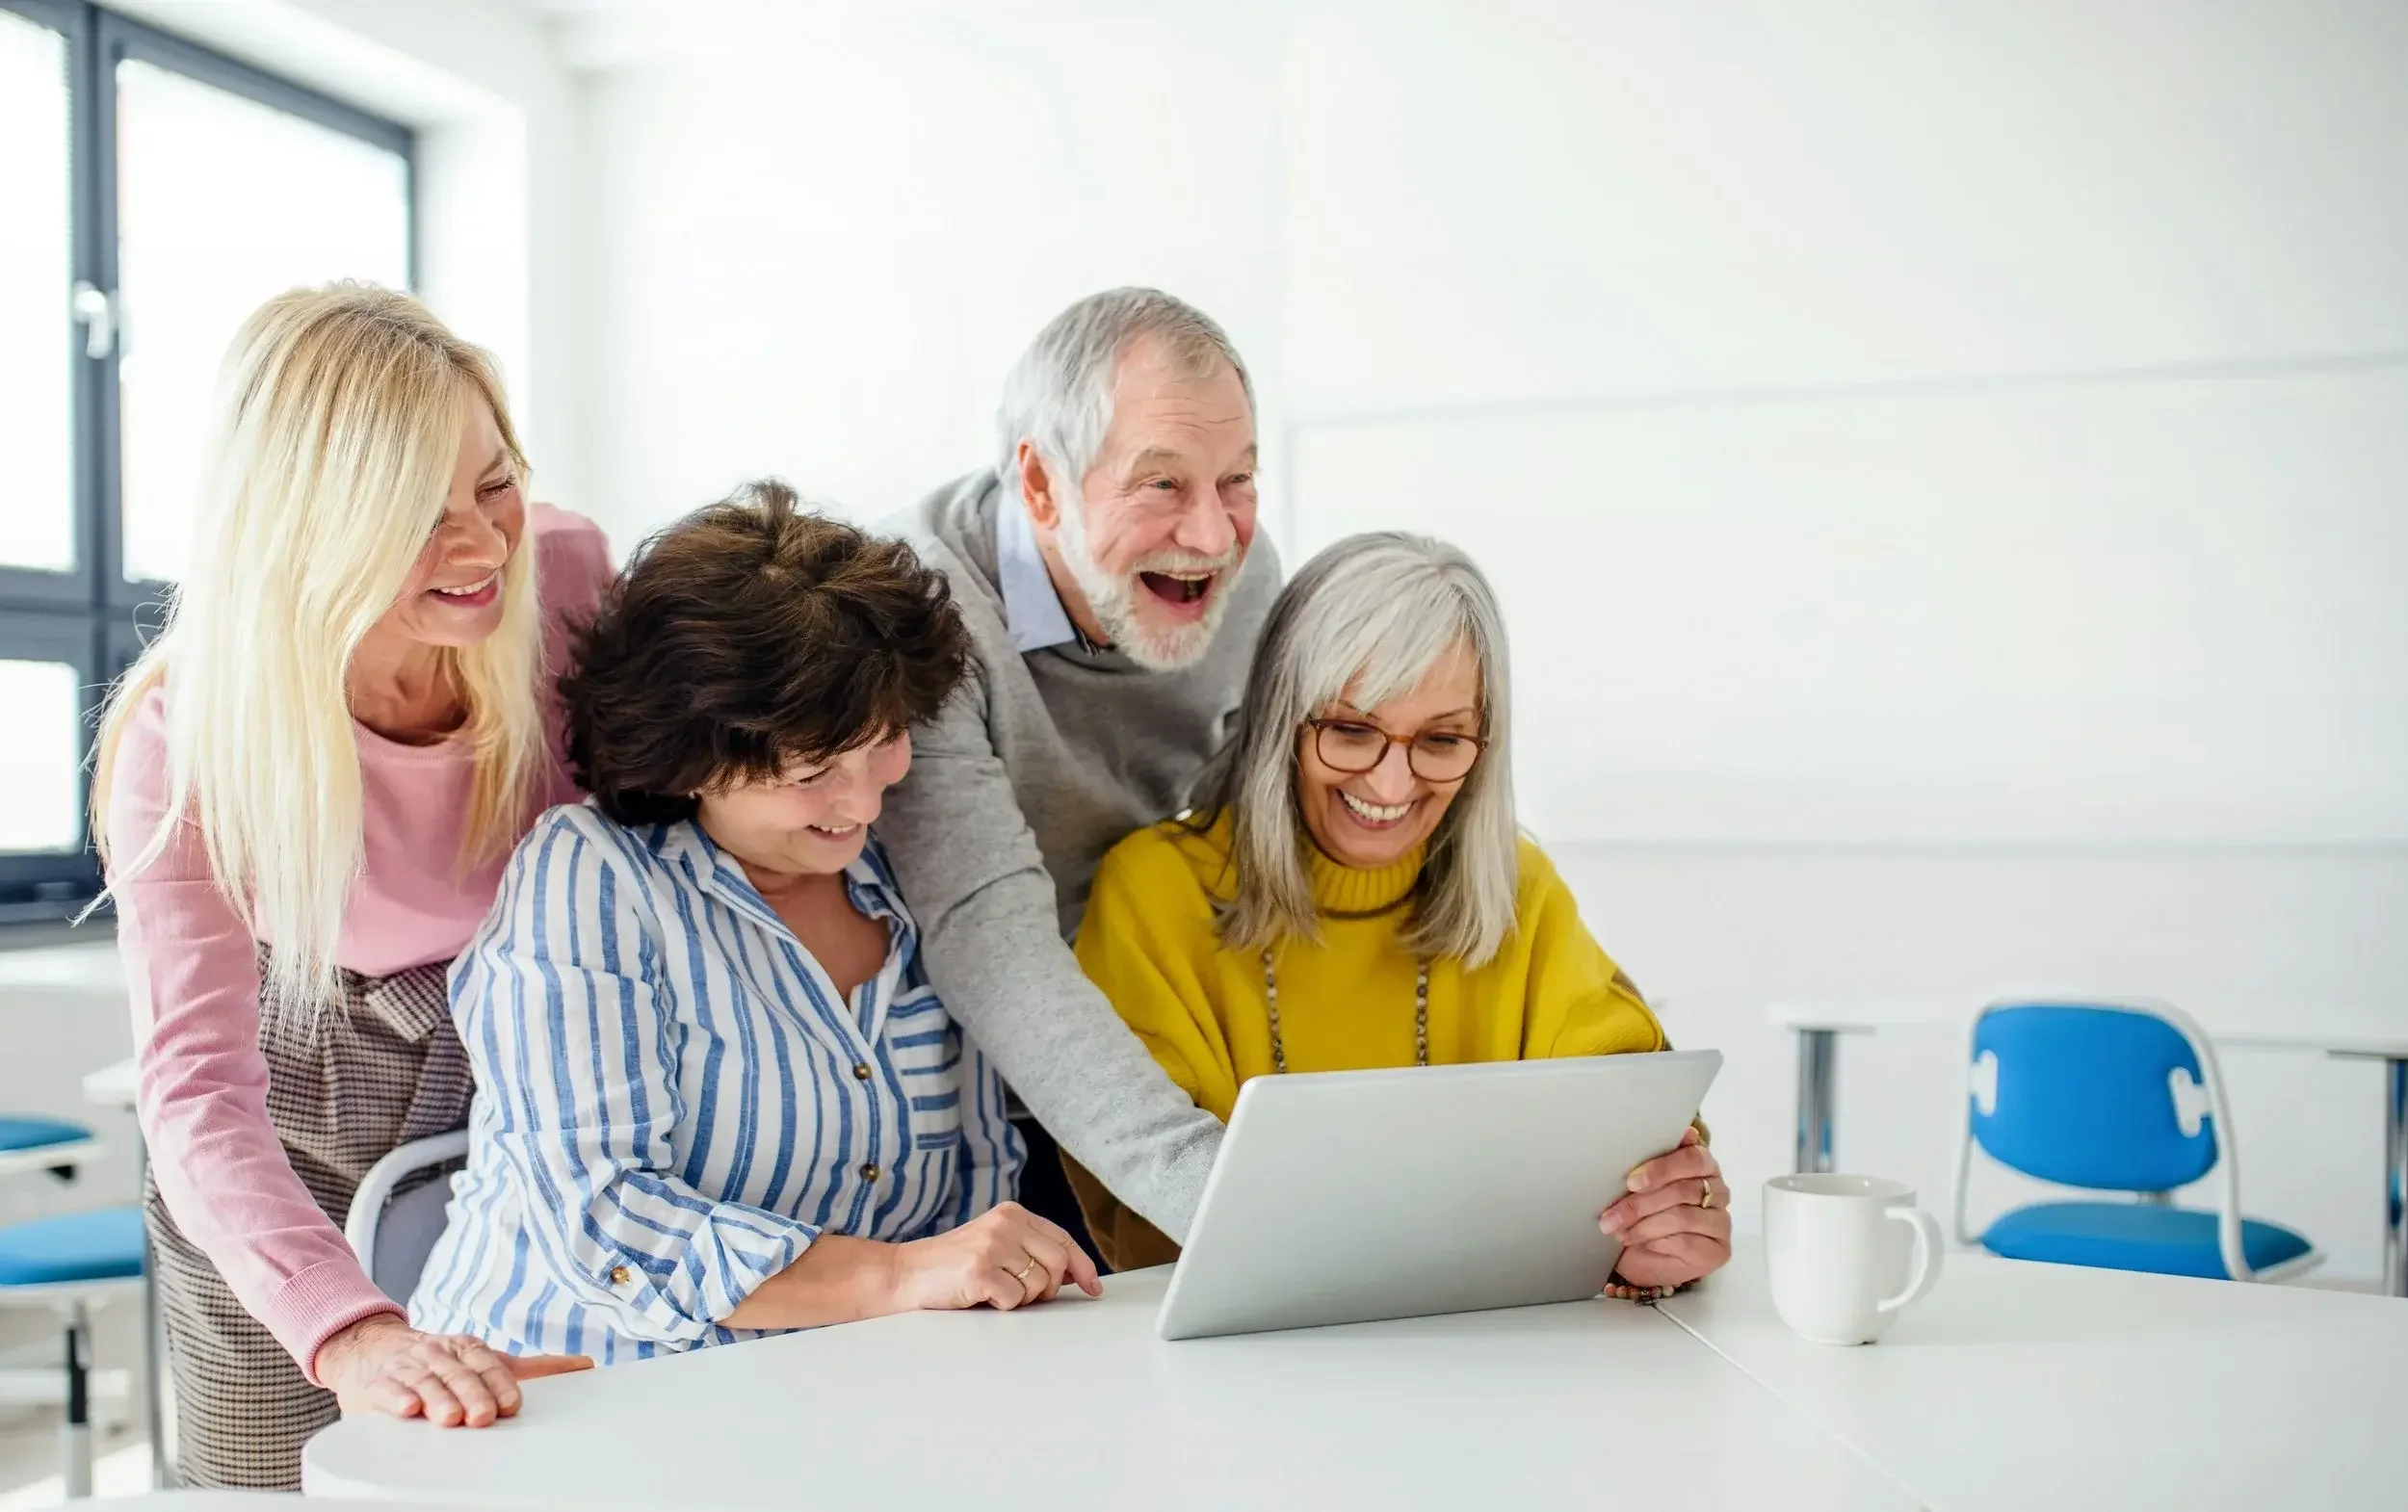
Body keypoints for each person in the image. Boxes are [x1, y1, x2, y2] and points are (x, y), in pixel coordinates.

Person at [90, 284, 609, 1488]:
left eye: (494, 482)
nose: (481, 546)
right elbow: (196, 1091)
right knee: (300, 1480)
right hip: (300, 1112)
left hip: (533, 1076)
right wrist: (349, 1328)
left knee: (546, 1468)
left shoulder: (572, 577)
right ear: (303, 528)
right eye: (413, 517)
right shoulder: (187, 741)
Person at [411, 482, 1100, 1361]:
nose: (859, 800)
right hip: (560, 1390)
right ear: (692, 756)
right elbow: (610, 1217)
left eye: (884, 739)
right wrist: (895, 1277)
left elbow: (970, 1190)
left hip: (824, 1400)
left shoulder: (904, 875)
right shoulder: (594, 879)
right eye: (810, 770)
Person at [1062, 532, 1733, 1293]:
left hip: (1496, 1353)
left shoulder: (1516, 887)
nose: (1389, 785)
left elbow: (1635, 1112)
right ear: (1283, 720)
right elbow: (1137, 1213)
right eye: (1351, 731)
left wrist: (1665, 1217)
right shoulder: (1153, 894)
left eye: (1442, 740)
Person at [877, 288, 1281, 1254]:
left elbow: (1245, 853)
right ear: (1042, 485)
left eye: (1236, 479)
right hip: (968, 1104)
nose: (1214, 537)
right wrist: (1234, 1211)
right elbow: (987, 933)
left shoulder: (1245, 571)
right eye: (1162, 484)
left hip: (1153, 1043)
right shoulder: (917, 600)